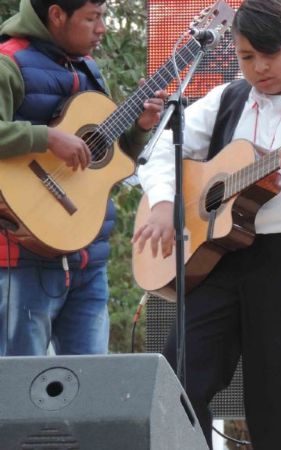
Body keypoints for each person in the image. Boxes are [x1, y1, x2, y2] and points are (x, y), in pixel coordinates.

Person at [132, 0, 281, 447]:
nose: (258, 68)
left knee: (277, 398)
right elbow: (161, 145)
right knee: (176, 384)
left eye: (269, 54)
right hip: (221, 257)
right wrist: (163, 202)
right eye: (246, 57)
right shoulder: (227, 97)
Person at [0, 0, 166, 356]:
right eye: (92, 18)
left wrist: (138, 130)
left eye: (103, 17)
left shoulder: (90, 69)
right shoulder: (8, 61)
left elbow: (108, 161)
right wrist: (47, 137)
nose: (102, 28)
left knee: (90, 393)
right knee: (19, 394)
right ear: (57, 15)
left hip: (89, 261)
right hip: (21, 260)